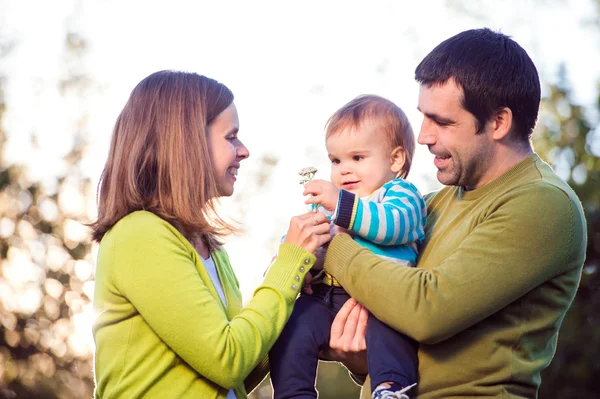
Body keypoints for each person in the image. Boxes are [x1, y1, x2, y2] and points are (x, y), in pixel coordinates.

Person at [320, 28, 587, 398]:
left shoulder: (542, 203)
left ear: (498, 122)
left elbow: (426, 310)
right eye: (423, 117)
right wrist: (363, 360)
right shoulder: (430, 204)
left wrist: (332, 246)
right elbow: (406, 329)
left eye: (442, 122)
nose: (423, 136)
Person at [90, 70, 332, 399]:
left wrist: (291, 285)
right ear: (186, 141)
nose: (244, 150)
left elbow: (237, 372)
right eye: (231, 137)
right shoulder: (139, 235)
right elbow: (227, 360)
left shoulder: (209, 247)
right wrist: (284, 269)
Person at [269, 95, 426, 399]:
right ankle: (293, 393)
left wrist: (343, 207)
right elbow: (304, 243)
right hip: (330, 298)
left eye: (357, 158)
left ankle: (391, 388)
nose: (343, 170)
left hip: (384, 298)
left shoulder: (400, 195)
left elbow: (394, 226)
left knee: (391, 333)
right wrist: (298, 265)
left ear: (395, 160)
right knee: (295, 320)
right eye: (336, 160)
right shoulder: (332, 207)